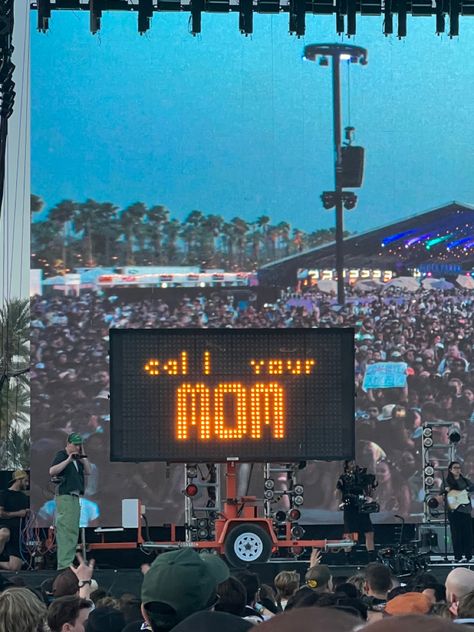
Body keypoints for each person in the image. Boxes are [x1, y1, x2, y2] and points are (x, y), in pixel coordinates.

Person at [49, 433, 92, 569]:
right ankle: (64, 564)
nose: (77, 447)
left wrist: (82, 454)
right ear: (68, 443)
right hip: (65, 496)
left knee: (72, 531)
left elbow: (89, 471)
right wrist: (68, 459)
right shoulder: (62, 455)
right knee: (66, 530)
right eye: (75, 444)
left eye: (79, 444)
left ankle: (68, 562)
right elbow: (52, 471)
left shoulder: (78, 460)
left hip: (75, 497)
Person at [336, 460, 377, 558]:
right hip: (350, 508)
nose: (353, 465)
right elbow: (338, 491)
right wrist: (340, 501)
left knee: (369, 532)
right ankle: (347, 556)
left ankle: (371, 556)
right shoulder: (343, 478)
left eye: (354, 463)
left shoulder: (363, 477)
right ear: (346, 466)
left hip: (362, 507)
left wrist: (369, 497)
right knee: (349, 533)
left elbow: (371, 489)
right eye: (351, 463)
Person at [0, 469, 30, 571]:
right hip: (5, 526)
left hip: (18, 533)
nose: (27, 483)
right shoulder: (4, 494)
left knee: (15, 567)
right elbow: (1, 514)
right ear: (19, 480)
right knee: (4, 534)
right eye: (26, 480)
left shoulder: (25, 498)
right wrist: (19, 513)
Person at [445, 461, 473, 563]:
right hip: (453, 512)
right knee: (456, 535)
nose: (458, 470)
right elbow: (442, 495)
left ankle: (468, 556)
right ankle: (458, 556)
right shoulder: (447, 482)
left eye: (459, 468)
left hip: (465, 511)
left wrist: (469, 494)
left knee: (467, 534)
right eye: (455, 468)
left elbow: (472, 490)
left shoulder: (466, 481)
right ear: (450, 470)